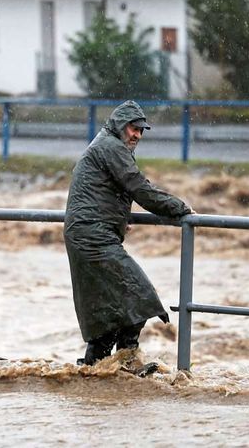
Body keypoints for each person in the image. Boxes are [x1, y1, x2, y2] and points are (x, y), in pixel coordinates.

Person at [64, 100, 194, 366]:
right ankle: (127, 362)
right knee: (138, 296)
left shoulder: (106, 143)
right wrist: (180, 208)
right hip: (94, 236)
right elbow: (138, 187)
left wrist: (119, 219)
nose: (137, 135)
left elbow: (107, 190)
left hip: (89, 233)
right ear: (120, 126)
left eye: (141, 131)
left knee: (107, 309)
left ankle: (96, 370)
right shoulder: (111, 146)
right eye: (133, 128)